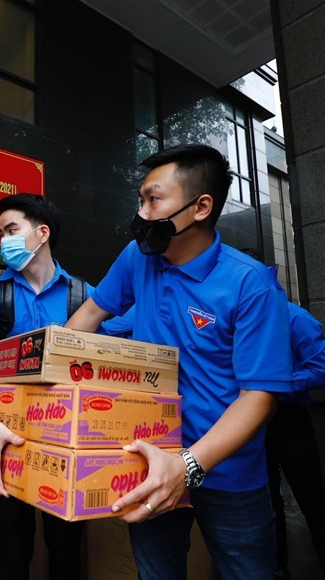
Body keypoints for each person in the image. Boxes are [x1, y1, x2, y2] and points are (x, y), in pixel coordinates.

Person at [65, 144, 293, 579]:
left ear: (201, 207)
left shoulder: (250, 285)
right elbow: (92, 313)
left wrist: (187, 465)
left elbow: (259, 396)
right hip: (149, 459)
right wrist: (54, 372)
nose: (141, 213)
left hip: (228, 472)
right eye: (140, 200)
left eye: (154, 200)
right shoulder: (138, 258)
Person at [0, 193, 90, 580]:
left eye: (11, 230)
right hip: (8, 435)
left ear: (42, 233)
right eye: (1, 233)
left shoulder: (83, 295)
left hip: (67, 438)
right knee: (11, 546)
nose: (3, 241)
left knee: (67, 545)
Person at [267, 302, 325, 579]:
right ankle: (277, 567)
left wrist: (273, 383)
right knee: (268, 501)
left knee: (313, 500)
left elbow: (319, 371)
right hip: (251, 422)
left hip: (290, 419)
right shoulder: (243, 318)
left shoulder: (296, 318)